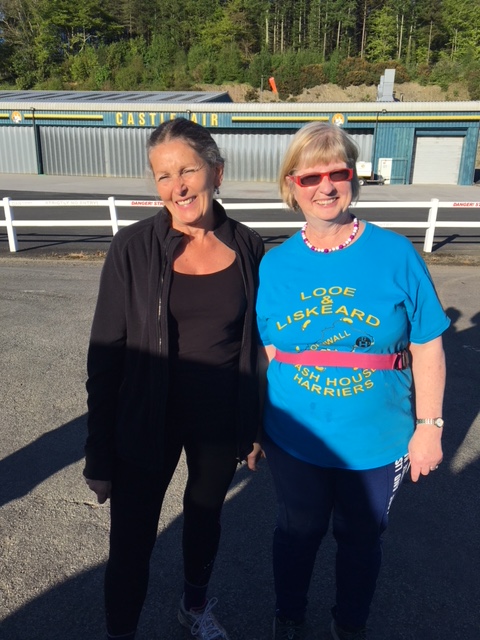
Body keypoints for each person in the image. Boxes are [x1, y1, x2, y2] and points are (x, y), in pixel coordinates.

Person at [255, 122, 450, 640]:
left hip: (377, 438)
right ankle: (288, 617)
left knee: (361, 538)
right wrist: (252, 425)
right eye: (309, 176)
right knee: (297, 532)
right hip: (295, 437)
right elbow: (269, 350)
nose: (325, 187)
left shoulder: (396, 254)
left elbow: (427, 343)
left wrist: (429, 426)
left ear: (353, 179)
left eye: (337, 173)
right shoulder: (275, 265)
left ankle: (350, 624)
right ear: (291, 185)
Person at [83, 117, 264, 640]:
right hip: (147, 416)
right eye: (163, 176)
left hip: (218, 418)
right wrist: (99, 453)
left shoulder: (249, 248)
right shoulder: (133, 248)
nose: (177, 187)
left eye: (187, 170)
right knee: (131, 540)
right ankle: (121, 632)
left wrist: (253, 424)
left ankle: (194, 606)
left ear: (216, 172)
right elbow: (105, 356)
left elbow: (257, 347)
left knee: (204, 520)